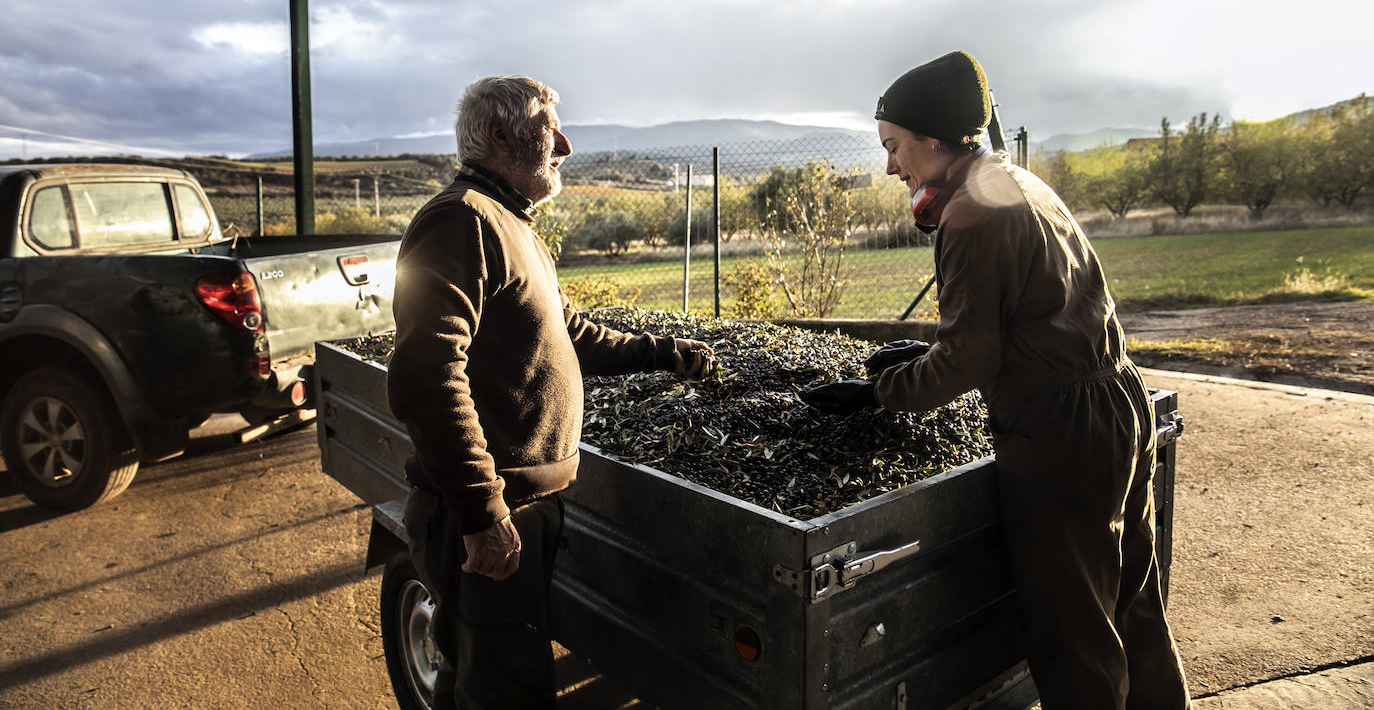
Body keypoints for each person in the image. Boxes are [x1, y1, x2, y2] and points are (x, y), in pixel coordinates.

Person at [802, 51, 1191, 709]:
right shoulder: (1014, 181)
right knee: (1131, 601)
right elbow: (1016, 320)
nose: (891, 166)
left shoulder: (969, 215)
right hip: (1118, 401)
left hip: (1061, 432)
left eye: (895, 147)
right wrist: (918, 349)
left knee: (1074, 631)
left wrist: (878, 392)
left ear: (932, 138)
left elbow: (967, 365)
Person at [387, 75, 714, 710]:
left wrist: (665, 352)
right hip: (484, 514)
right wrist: (484, 511)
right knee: (509, 692)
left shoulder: (515, 227)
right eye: (548, 126)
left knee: (479, 677)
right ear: (503, 136)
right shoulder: (459, 221)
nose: (563, 144)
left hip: (522, 508)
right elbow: (428, 375)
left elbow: (570, 335)